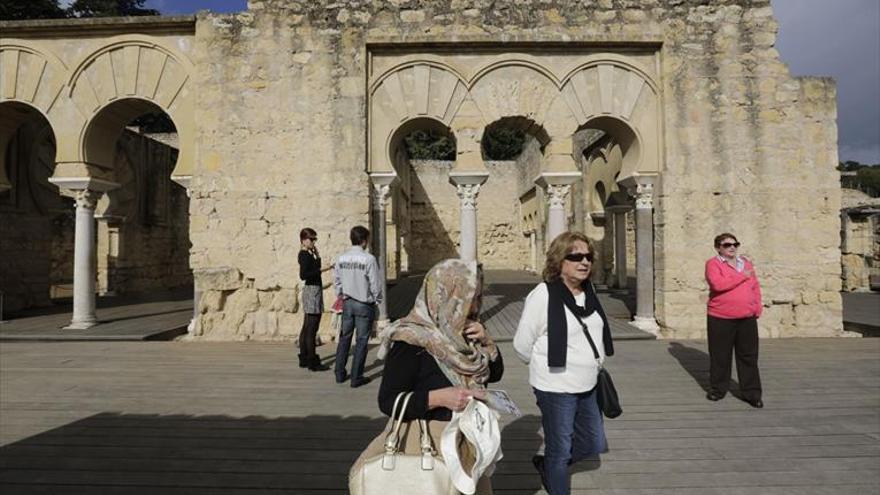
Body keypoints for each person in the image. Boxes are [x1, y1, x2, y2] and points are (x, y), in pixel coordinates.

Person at [373, 259, 504, 494]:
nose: (475, 306)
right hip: (429, 445)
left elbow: (495, 373)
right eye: (470, 297)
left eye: (478, 297)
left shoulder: (467, 330)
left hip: (469, 444)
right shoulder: (410, 339)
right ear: (448, 294)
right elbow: (388, 400)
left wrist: (488, 342)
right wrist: (439, 398)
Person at [513, 231, 614, 495]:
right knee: (560, 449)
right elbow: (522, 344)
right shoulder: (543, 295)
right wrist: (543, 370)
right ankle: (555, 475)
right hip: (555, 386)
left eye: (588, 257)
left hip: (588, 382)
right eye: (575, 256)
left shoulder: (588, 292)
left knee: (594, 442)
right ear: (559, 261)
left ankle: (547, 465)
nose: (584, 262)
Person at [704, 233, 763, 408]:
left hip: (747, 317)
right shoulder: (713, 264)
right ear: (718, 248)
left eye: (735, 244)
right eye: (727, 245)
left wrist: (757, 307)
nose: (732, 247)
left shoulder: (746, 264)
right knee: (720, 355)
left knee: (749, 357)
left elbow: (755, 286)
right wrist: (742, 276)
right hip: (721, 318)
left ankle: (752, 393)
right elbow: (718, 285)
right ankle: (718, 390)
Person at [333, 225, 383, 388]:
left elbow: (337, 281)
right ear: (364, 240)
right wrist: (377, 299)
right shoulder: (368, 259)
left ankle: (339, 373)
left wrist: (341, 295)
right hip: (363, 303)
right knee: (362, 341)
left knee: (345, 338)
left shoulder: (341, 258)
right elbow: (375, 283)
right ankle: (356, 377)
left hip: (348, 303)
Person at [297, 227, 332, 371]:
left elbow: (313, 268)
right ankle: (312, 361)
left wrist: (317, 256)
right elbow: (304, 275)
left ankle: (304, 357)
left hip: (314, 290)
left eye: (314, 239)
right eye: (311, 239)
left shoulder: (309, 253)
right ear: (303, 240)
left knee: (308, 326)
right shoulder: (304, 254)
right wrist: (323, 269)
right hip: (311, 290)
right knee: (311, 327)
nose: (313, 242)